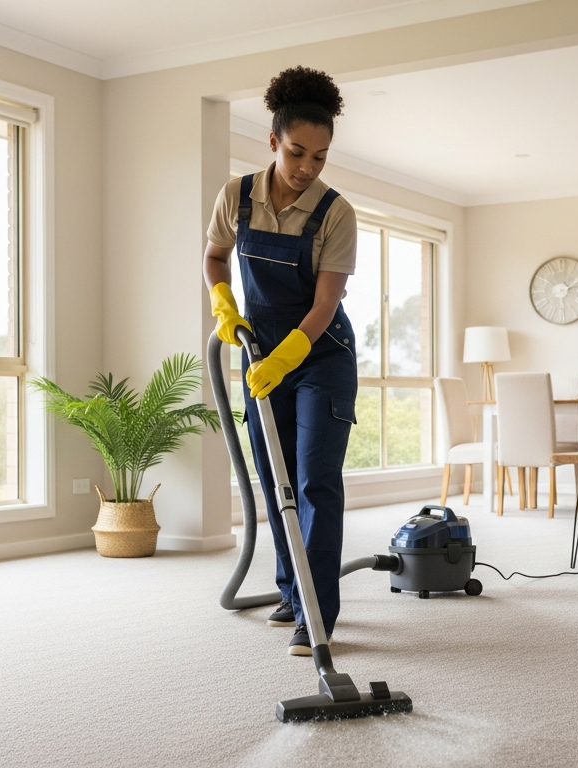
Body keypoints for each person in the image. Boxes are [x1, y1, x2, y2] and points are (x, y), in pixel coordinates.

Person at [204, 66, 358, 657]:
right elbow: (215, 256)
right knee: (276, 481)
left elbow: (325, 304)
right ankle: (293, 593)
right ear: (273, 141)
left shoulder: (336, 212)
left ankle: (317, 616)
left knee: (315, 480)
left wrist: (290, 353)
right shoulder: (236, 195)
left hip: (320, 354)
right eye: (297, 152)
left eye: (320, 157)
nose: (307, 168)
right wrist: (223, 304)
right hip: (261, 351)